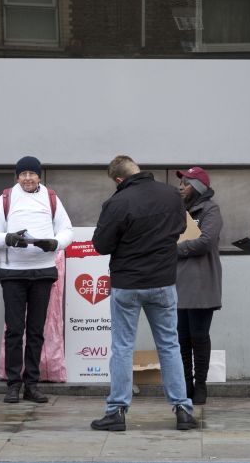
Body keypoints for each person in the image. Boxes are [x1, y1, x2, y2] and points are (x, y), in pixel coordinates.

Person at [90, 155, 197, 432]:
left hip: (127, 284)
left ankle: (116, 412)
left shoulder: (117, 202)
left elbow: (101, 245)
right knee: (170, 346)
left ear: (118, 179)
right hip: (163, 282)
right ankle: (183, 409)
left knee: (123, 348)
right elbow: (182, 228)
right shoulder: (172, 195)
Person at [0, 156, 74, 404]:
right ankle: (13, 384)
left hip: (43, 271)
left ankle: (32, 384)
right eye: (23, 174)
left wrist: (56, 243)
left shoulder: (51, 198)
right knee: (14, 330)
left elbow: (67, 230)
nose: (28, 178)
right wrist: (7, 238)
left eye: (32, 174)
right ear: (17, 176)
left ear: (40, 176)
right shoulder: (6, 198)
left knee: (36, 330)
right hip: (13, 273)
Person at [175, 166, 223, 406]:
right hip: (177, 283)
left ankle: (201, 385)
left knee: (199, 336)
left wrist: (174, 250)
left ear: (199, 187)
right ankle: (185, 384)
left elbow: (205, 242)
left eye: (186, 183)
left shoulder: (210, 209)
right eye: (181, 183)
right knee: (181, 338)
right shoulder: (177, 210)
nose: (181, 187)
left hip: (202, 283)